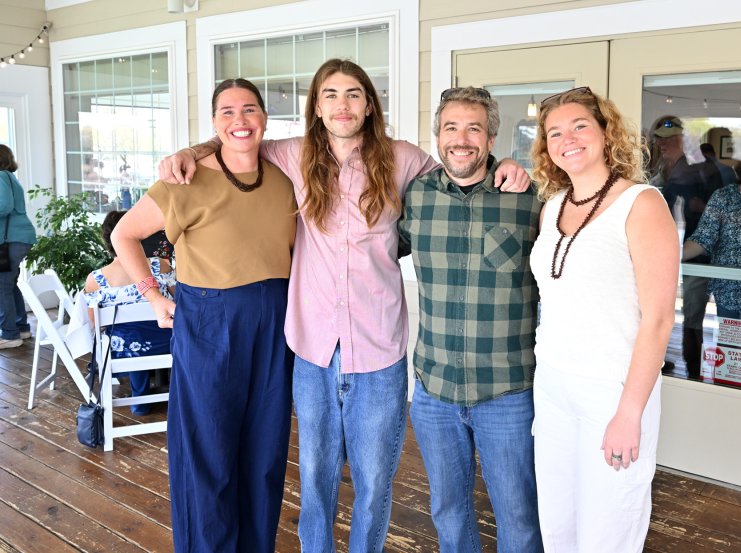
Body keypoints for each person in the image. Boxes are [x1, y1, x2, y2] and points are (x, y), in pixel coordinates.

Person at [158, 59, 529, 553]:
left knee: (374, 487)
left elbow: (462, 168)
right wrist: (190, 150)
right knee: (315, 484)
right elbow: (240, 138)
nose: (342, 105)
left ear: (369, 103)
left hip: (378, 353)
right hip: (312, 351)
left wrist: (505, 163)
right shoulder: (292, 154)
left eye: (353, 94)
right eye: (330, 95)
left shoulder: (403, 160)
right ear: (316, 105)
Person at [112, 78, 297, 553]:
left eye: (250, 109)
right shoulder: (184, 180)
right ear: (215, 123)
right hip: (210, 323)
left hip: (274, 324)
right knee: (208, 452)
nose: (241, 121)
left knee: (264, 453)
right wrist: (154, 296)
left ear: (264, 119)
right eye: (228, 112)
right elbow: (124, 235)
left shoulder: (283, 177)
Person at [530, 87, 678, 551]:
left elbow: (657, 320)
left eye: (579, 126)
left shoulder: (642, 204)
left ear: (605, 132)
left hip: (612, 391)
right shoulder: (553, 206)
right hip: (552, 385)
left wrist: (629, 412)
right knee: (557, 526)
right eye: (554, 132)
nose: (567, 139)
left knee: (608, 531)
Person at [398, 87, 543, 552]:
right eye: (451, 128)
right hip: (434, 390)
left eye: (473, 128)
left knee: (518, 512)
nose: (461, 139)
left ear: (492, 136)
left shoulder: (528, 199)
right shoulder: (415, 197)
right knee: (447, 508)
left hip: (507, 390)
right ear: (437, 136)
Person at [649, 115, 722, 379]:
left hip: (697, 255)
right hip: (660, 252)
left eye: (672, 138)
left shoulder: (700, 169)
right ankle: (658, 361)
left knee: (692, 317)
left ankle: (694, 375)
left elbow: (720, 212)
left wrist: (701, 208)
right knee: (656, 308)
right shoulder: (657, 169)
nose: (665, 143)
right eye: (661, 138)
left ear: (683, 139)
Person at [84, 210, 174, 416]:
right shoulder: (160, 266)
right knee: (160, 328)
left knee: (127, 335)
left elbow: (94, 323)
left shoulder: (95, 279)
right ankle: (177, 394)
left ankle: (139, 401)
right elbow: (178, 299)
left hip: (119, 351)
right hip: (165, 341)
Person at [683, 133, 741, 320]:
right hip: (730, 295)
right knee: (731, 349)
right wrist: (671, 255)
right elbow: (702, 239)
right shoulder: (725, 197)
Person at [0, 145, 36, 349]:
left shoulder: (0, 176)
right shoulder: (9, 176)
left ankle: (10, 335)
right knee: (9, 283)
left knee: (2, 285)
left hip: (11, 239)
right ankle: (21, 327)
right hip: (18, 237)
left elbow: (4, 206)